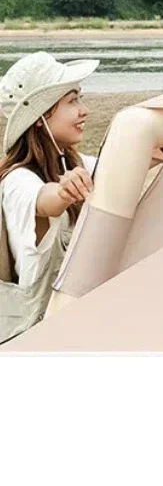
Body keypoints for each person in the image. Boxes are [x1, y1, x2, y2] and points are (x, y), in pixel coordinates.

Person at [0, 51, 99, 343]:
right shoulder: (17, 180)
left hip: (73, 329)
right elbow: (45, 202)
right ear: (40, 118)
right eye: (72, 101)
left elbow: (143, 159)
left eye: (81, 98)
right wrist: (64, 191)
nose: (84, 110)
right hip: (37, 337)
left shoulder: (75, 163)